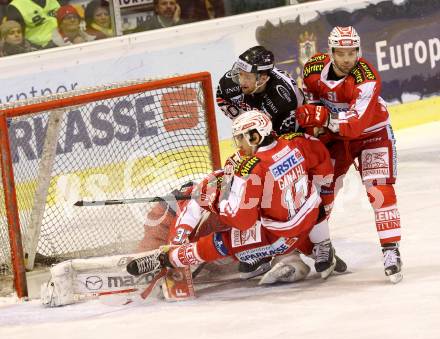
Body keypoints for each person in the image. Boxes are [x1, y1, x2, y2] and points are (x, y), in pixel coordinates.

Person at [127, 110, 341, 283]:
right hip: (309, 221)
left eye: (240, 138)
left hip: (277, 236)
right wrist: (322, 194)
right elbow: (320, 156)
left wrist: (218, 203)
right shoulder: (295, 142)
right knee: (306, 204)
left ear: (255, 135)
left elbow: (241, 219)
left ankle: (169, 258)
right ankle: (320, 247)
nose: (238, 144)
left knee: (222, 243)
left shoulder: (251, 168)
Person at [296, 26, 402, 283]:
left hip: (372, 135)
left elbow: (355, 124)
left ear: (359, 51)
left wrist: (320, 116)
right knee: (322, 190)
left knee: (379, 190)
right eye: (341, 53)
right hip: (335, 138)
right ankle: (321, 245)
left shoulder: (366, 78)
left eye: (352, 52)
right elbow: (311, 101)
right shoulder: (312, 68)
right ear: (330, 52)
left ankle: (391, 251)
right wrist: (312, 117)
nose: (347, 59)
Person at [216, 45, 305, 136]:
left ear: (262, 79)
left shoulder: (284, 100)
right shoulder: (228, 84)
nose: (241, 82)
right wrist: (243, 122)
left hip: (296, 128)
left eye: (247, 77)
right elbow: (221, 98)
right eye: (240, 74)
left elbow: (287, 140)